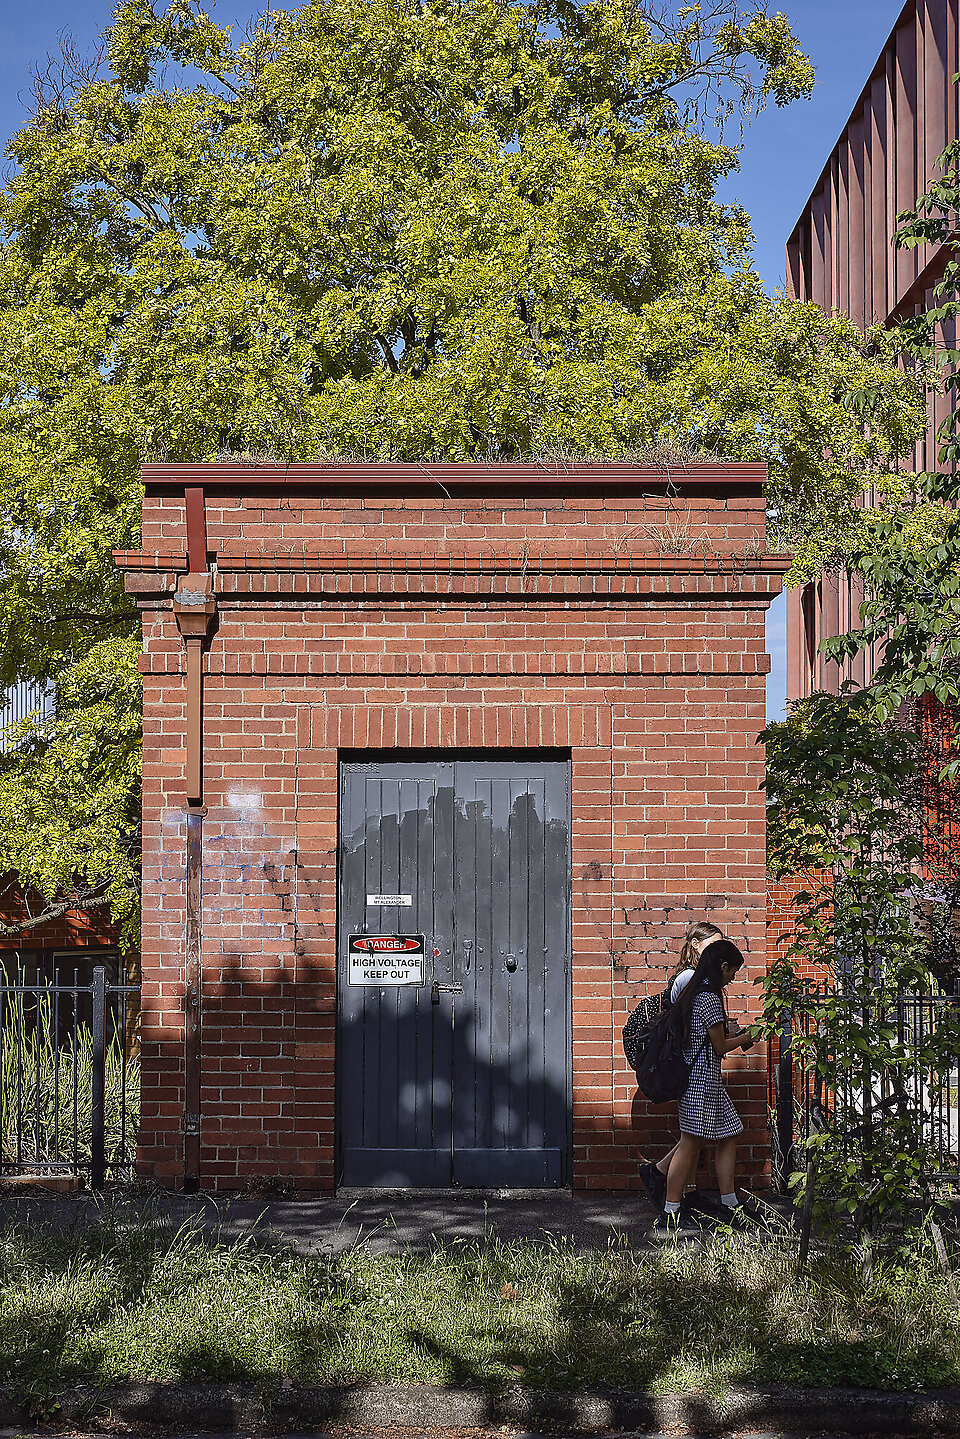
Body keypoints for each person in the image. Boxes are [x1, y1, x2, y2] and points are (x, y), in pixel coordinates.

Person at [653, 938, 755, 1235]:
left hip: (704, 1081)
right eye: (733, 973)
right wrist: (749, 1037)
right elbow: (720, 1045)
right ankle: (670, 1211)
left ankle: (729, 1202)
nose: (733, 978)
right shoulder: (708, 997)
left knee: (730, 1132)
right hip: (699, 1082)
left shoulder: (695, 992)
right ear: (722, 967)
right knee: (690, 1143)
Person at [638, 921, 724, 1206]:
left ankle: (682, 1191)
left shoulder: (695, 977)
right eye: (714, 945)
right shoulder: (690, 979)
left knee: (694, 1136)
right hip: (691, 1069)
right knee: (692, 1135)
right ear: (696, 945)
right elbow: (692, 1025)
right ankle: (668, 1190)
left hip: (693, 1065)